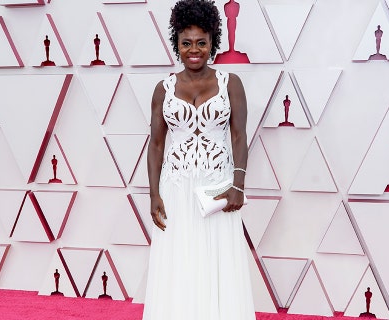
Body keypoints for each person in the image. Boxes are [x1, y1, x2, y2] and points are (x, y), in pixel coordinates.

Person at [143, 1, 253, 319]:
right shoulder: (162, 89)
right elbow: (157, 144)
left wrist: (238, 186)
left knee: (219, 263)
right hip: (175, 189)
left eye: (201, 43)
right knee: (179, 262)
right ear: (177, 45)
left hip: (217, 190)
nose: (194, 50)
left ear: (213, 43)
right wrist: (154, 194)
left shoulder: (230, 83)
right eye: (186, 43)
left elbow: (239, 137)